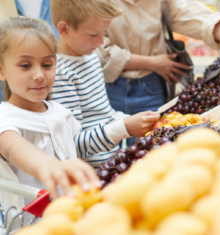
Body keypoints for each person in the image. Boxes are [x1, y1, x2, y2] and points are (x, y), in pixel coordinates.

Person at [99, 0, 220, 122]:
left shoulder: (162, 2)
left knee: (150, 151)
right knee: (114, 150)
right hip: (111, 86)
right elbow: (100, 51)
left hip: (154, 85)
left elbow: (203, 22)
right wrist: (153, 62)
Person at [0, 17, 101, 209]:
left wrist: (123, 128)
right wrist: (47, 165)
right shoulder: (4, 118)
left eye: (47, 65)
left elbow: (78, 146)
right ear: (1, 70)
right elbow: (13, 147)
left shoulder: (60, 112)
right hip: (31, 224)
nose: (39, 75)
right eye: (25, 65)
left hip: (73, 213)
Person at [50, 0, 160, 168]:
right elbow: (72, 145)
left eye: (104, 33)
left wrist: (132, 120)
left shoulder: (92, 58)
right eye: (94, 35)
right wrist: (125, 128)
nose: (101, 42)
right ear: (64, 29)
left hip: (111, 163)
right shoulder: (60, 74)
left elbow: (103, 114)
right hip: (89, 175)